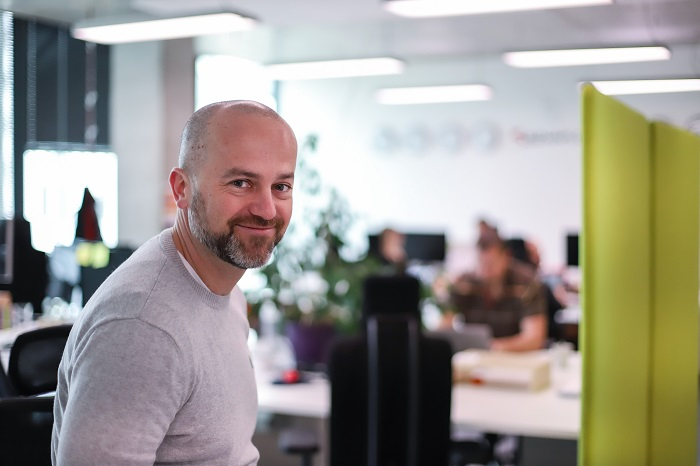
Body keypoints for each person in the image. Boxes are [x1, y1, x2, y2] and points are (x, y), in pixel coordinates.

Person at [51, 100, 298, 465]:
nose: (266, 209)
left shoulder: (226, 290)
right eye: (241, 183)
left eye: (281, 186)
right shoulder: (144, 327)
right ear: (182, 188)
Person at [441, 228, 547, 352]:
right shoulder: (464, 285)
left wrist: (492, 347)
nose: (485, 270)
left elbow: (534, 339)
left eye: (490, 263)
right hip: (475, 356)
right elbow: (444, 327)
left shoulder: (526, 284)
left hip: (515, 357)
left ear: (506, 257)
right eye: (481, 263)